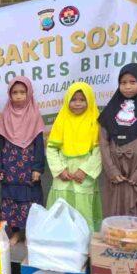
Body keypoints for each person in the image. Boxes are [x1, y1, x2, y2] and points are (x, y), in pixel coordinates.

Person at [98, 63, 137, 220]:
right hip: (115, 173)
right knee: (113, 209)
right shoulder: (111, 110)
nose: (127, 87)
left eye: (132, 82)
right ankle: (114, 240)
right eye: (123, 82)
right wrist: (111, 169)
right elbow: (103, 141)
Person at [46, 82, 103, 232]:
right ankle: (60, 244)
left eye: (82, 100)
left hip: (84, 176)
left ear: (89, 100)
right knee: (61, 208)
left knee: (83, 211)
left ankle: (84, 245)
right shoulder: (62, 119)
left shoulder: (96, 121)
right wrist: (59, 169)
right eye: (73, 99)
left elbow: (99, 150)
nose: (77, 103)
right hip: (63, 175)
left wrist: (85, 170)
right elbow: (51, 148)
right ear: (67, 100)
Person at [0, 77, 46, 246]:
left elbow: (39, 144)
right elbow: (0, 143)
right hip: (10, 164)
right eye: (14, 92)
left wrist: (38, 167)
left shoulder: (34, 114)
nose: (18, 96)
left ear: (29, 93)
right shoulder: (6, 114)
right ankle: (15, 233)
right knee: (11, 200)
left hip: (28, 164)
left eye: (22, 92)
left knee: (30, 200)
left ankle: (31, 234)